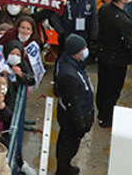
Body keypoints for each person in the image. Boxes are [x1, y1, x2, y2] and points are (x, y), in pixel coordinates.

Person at [96, 0, 132, 128]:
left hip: (104, 55)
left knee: (103, 85)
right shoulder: (123, 21)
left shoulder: (105, 8)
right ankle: (106, 118)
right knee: (112, 90)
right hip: (117, 60)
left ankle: (101, 112)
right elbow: (128, 43)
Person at [54, 34, 94, 175]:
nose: (85, 50)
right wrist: (81, 125)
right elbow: (73, 104)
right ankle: (63, 170)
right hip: (72, 120)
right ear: (74, 52)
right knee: (68, 147)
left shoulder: (70, 63)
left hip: (74, 115)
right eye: (82, 48)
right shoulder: (68, 76)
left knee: (67, 145)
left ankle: (65, 166)